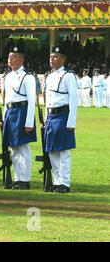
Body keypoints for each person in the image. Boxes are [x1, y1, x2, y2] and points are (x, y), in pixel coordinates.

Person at [44, 46, 78, 193]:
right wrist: (46, 119)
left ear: (63, 59)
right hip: (51, 116)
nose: (52, 59)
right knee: (52, 150)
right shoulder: (49, 76)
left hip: (63, 115)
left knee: (63, 151)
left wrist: (71, 122)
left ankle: (64, 182)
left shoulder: (69, 75)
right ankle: (56, 181)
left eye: (56, 56)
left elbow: (73, 100)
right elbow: (47, 100)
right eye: (51, 57)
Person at [2, 45, 37, 190]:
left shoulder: (28, 77)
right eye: (9, 57)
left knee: (23, 148)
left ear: (22, 59)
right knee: (14, 147)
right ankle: (17, 178)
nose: (10, 59)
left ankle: (25, 179)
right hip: (11, 112)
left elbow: (31, 100)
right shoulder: (8, 76)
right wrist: (4, 118)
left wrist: (29, 122)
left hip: (22, 111)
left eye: (14, 57)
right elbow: (6, 99)